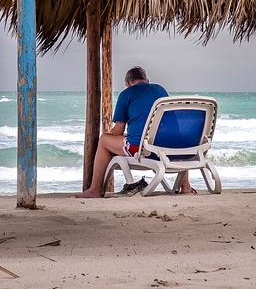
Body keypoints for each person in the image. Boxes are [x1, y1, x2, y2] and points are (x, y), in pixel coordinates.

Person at [77, 65, 194, 198]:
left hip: (142, 149)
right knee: (156, 137)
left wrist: (115, 132)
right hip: (170, 147)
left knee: (104, 139)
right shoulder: (161, 90)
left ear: (127, 83)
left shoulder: (127, 93)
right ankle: (186, 186)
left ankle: (95, 189)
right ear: (147, 80)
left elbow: (118, 131)